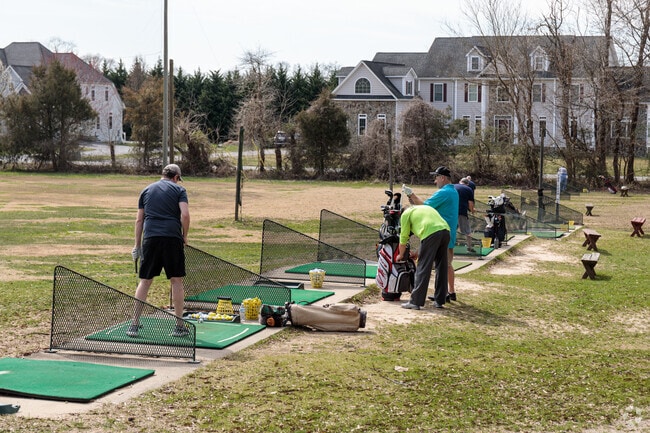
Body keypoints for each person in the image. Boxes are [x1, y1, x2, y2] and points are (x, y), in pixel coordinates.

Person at [128, 164, 191, 338]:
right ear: (176, 177)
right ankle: (179, 326)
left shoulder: (146, 190)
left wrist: (137, 245)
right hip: (172, 238)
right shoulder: (179, 190)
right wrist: (185, 236)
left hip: (150, 239)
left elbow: (139, 220)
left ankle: (134, 324)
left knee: (145, 281)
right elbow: (184, 215)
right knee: (176, 281)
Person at [402, 166, 460, 302]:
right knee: (447, 264)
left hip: (437, 232)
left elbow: (425, 206)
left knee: (437, 265)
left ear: (443, 178)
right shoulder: (453, 191)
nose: (435, 181)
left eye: (436, 178)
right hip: (448, 233)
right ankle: (449, 293)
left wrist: (411, 195)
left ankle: (424, 298)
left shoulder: (444, 192)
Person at [397, 205, 450, 309]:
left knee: (423, 268)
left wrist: (401, 255)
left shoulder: (405, 214)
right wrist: (417, 253)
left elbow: (403, 238)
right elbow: (428, 237)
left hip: (431, 233)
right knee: (441, 266)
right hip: (445, 231)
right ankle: (439, 300)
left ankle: (415, 302)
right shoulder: (424, 208)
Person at [455, 178, 476, 253]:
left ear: (460, 182)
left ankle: (447, 248)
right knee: (467, 231)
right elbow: (470, 203)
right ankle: (469, 248)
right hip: (461, 212)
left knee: (451, 230)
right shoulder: (468, 189)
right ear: (467, 184)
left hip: (451, 212)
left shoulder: (453, 186)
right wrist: (472, 210)